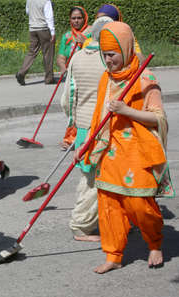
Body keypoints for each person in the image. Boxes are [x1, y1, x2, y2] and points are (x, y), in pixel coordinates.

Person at [79, 21, 174, 274]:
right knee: (109, 205)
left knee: (139, 204)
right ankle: (114, 254)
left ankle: (154, 244)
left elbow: (159, 119)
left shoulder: (145, 78)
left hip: (138, 154)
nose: (108, 61)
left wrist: (127, 111)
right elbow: (97, 117)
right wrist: (87, 144)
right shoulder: (106, 79)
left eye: (112, 55)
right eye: (105, 55)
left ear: (126, 48)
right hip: (109, 152)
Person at [61, 16, 113, 242]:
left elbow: (67, 98)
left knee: (91, 175)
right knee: (93, 180)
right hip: (103, 125)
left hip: (83, 125)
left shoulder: (77, 57)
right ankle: (81, 225)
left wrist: (73, 121)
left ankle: (106, 220)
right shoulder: (109, 59)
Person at [57, 6, 92, 151]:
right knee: (67, 104)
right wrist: (62, 67)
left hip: (86, 76)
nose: (76, 21)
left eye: (79, 18)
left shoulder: (90, 34)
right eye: (73, 18)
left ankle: (75, 139)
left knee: (81, 108)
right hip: (71, 76)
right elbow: (60, 57)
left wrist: (84, 41)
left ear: (84, 18)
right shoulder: (67, 36)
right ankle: (75, 136)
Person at [16, 0, 56, 85]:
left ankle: (21, 72)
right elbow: (49, 16)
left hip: (32, 28)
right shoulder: (46, 1)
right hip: (44, 28)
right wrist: (52, 32)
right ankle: (49, 78)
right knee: (48, 53)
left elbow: (27, 11)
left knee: (32, 52)